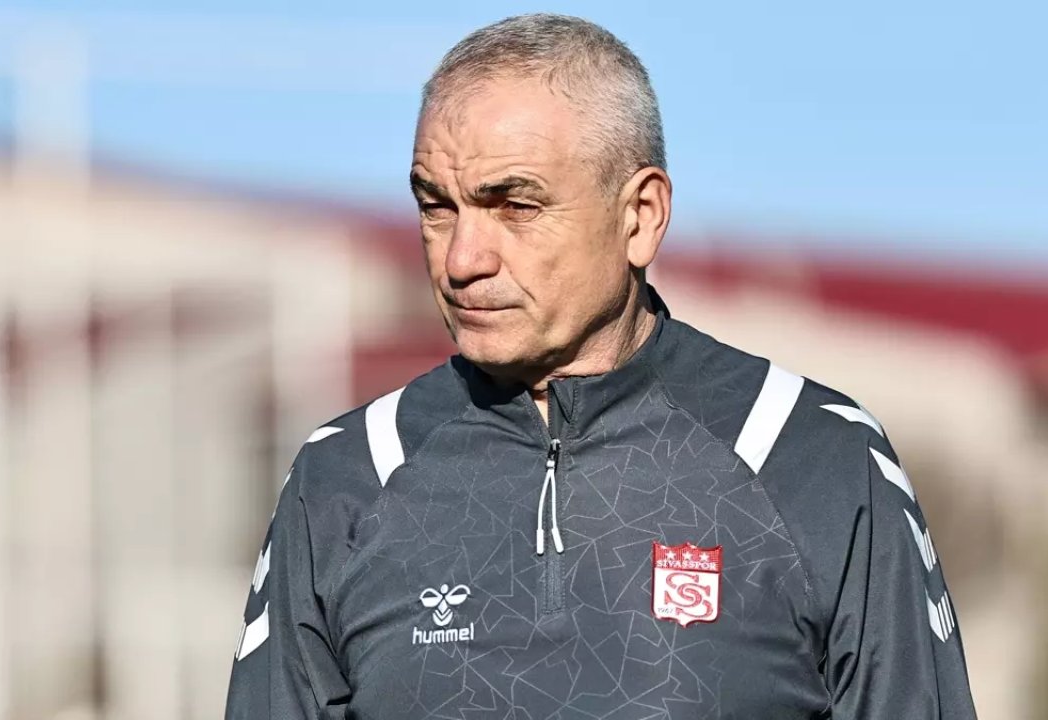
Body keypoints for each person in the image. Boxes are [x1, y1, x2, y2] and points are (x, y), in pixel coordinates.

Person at [225, 13, 977, 719]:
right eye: (436, 206)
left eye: (515, 206)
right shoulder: (348, 475)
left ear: (640, 216)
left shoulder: (812, 455)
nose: (462, 259)